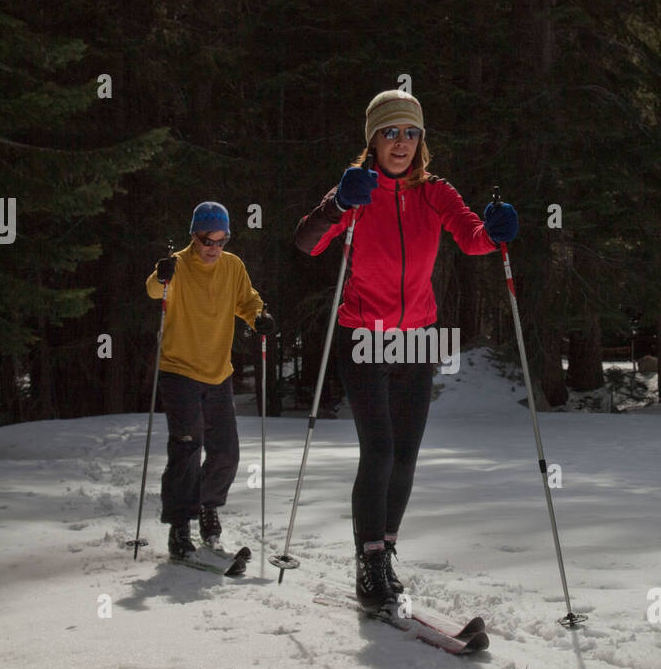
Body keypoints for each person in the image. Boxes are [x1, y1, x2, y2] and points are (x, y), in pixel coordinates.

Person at [295, 90, 518, 612]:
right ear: (372, 138)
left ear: (422, 141)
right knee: (380, 451)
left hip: (417, 338)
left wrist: (498, 230)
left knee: (407, 455)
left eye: (411, 133)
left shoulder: (435, 192)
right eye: (391, 132)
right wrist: (338, 204)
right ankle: (368, 564)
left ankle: (385, 551)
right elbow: (307, 243)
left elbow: (473, 238)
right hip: (362, 336)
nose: (402, 143)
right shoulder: (356, 189)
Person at [146, 201, 276, 560]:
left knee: (226, 453)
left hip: (219, 373)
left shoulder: (232, 266)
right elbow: (154, 290)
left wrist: (259, 316)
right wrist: (161, 276)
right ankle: (179, 526)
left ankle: (207, 505)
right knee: (187, 447)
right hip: (179, 371)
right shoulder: (176, 266)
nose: (214, 248)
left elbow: (247, 301)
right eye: (208, 241)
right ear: (194, 235)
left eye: (221, 241)